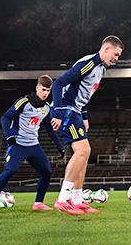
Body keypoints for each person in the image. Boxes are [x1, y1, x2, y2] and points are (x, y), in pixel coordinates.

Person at [51, 35, 123, 214]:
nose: (116, 59)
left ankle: (77, 200)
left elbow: (83, 94)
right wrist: (59, 112)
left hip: (75, 111)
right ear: (106, 49)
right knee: (83, 151)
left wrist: (84, 116)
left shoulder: (101, 69)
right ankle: (62, 199)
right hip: (66, 109)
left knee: (84, 153)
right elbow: (58, 84)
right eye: (116, 54)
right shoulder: (88, 63)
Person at [0, 75, 66, 213]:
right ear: (37, 88)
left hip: (34, 146)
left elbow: (49, 128)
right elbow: (5, 117)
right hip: (18, 145)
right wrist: (9, 136)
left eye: (48, 91)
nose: (45, 93)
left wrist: (59, 145)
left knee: (47, 172)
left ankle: (38, 202)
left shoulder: (46, 108)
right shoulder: (24, 102)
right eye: (43, 90)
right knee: (10, 170)